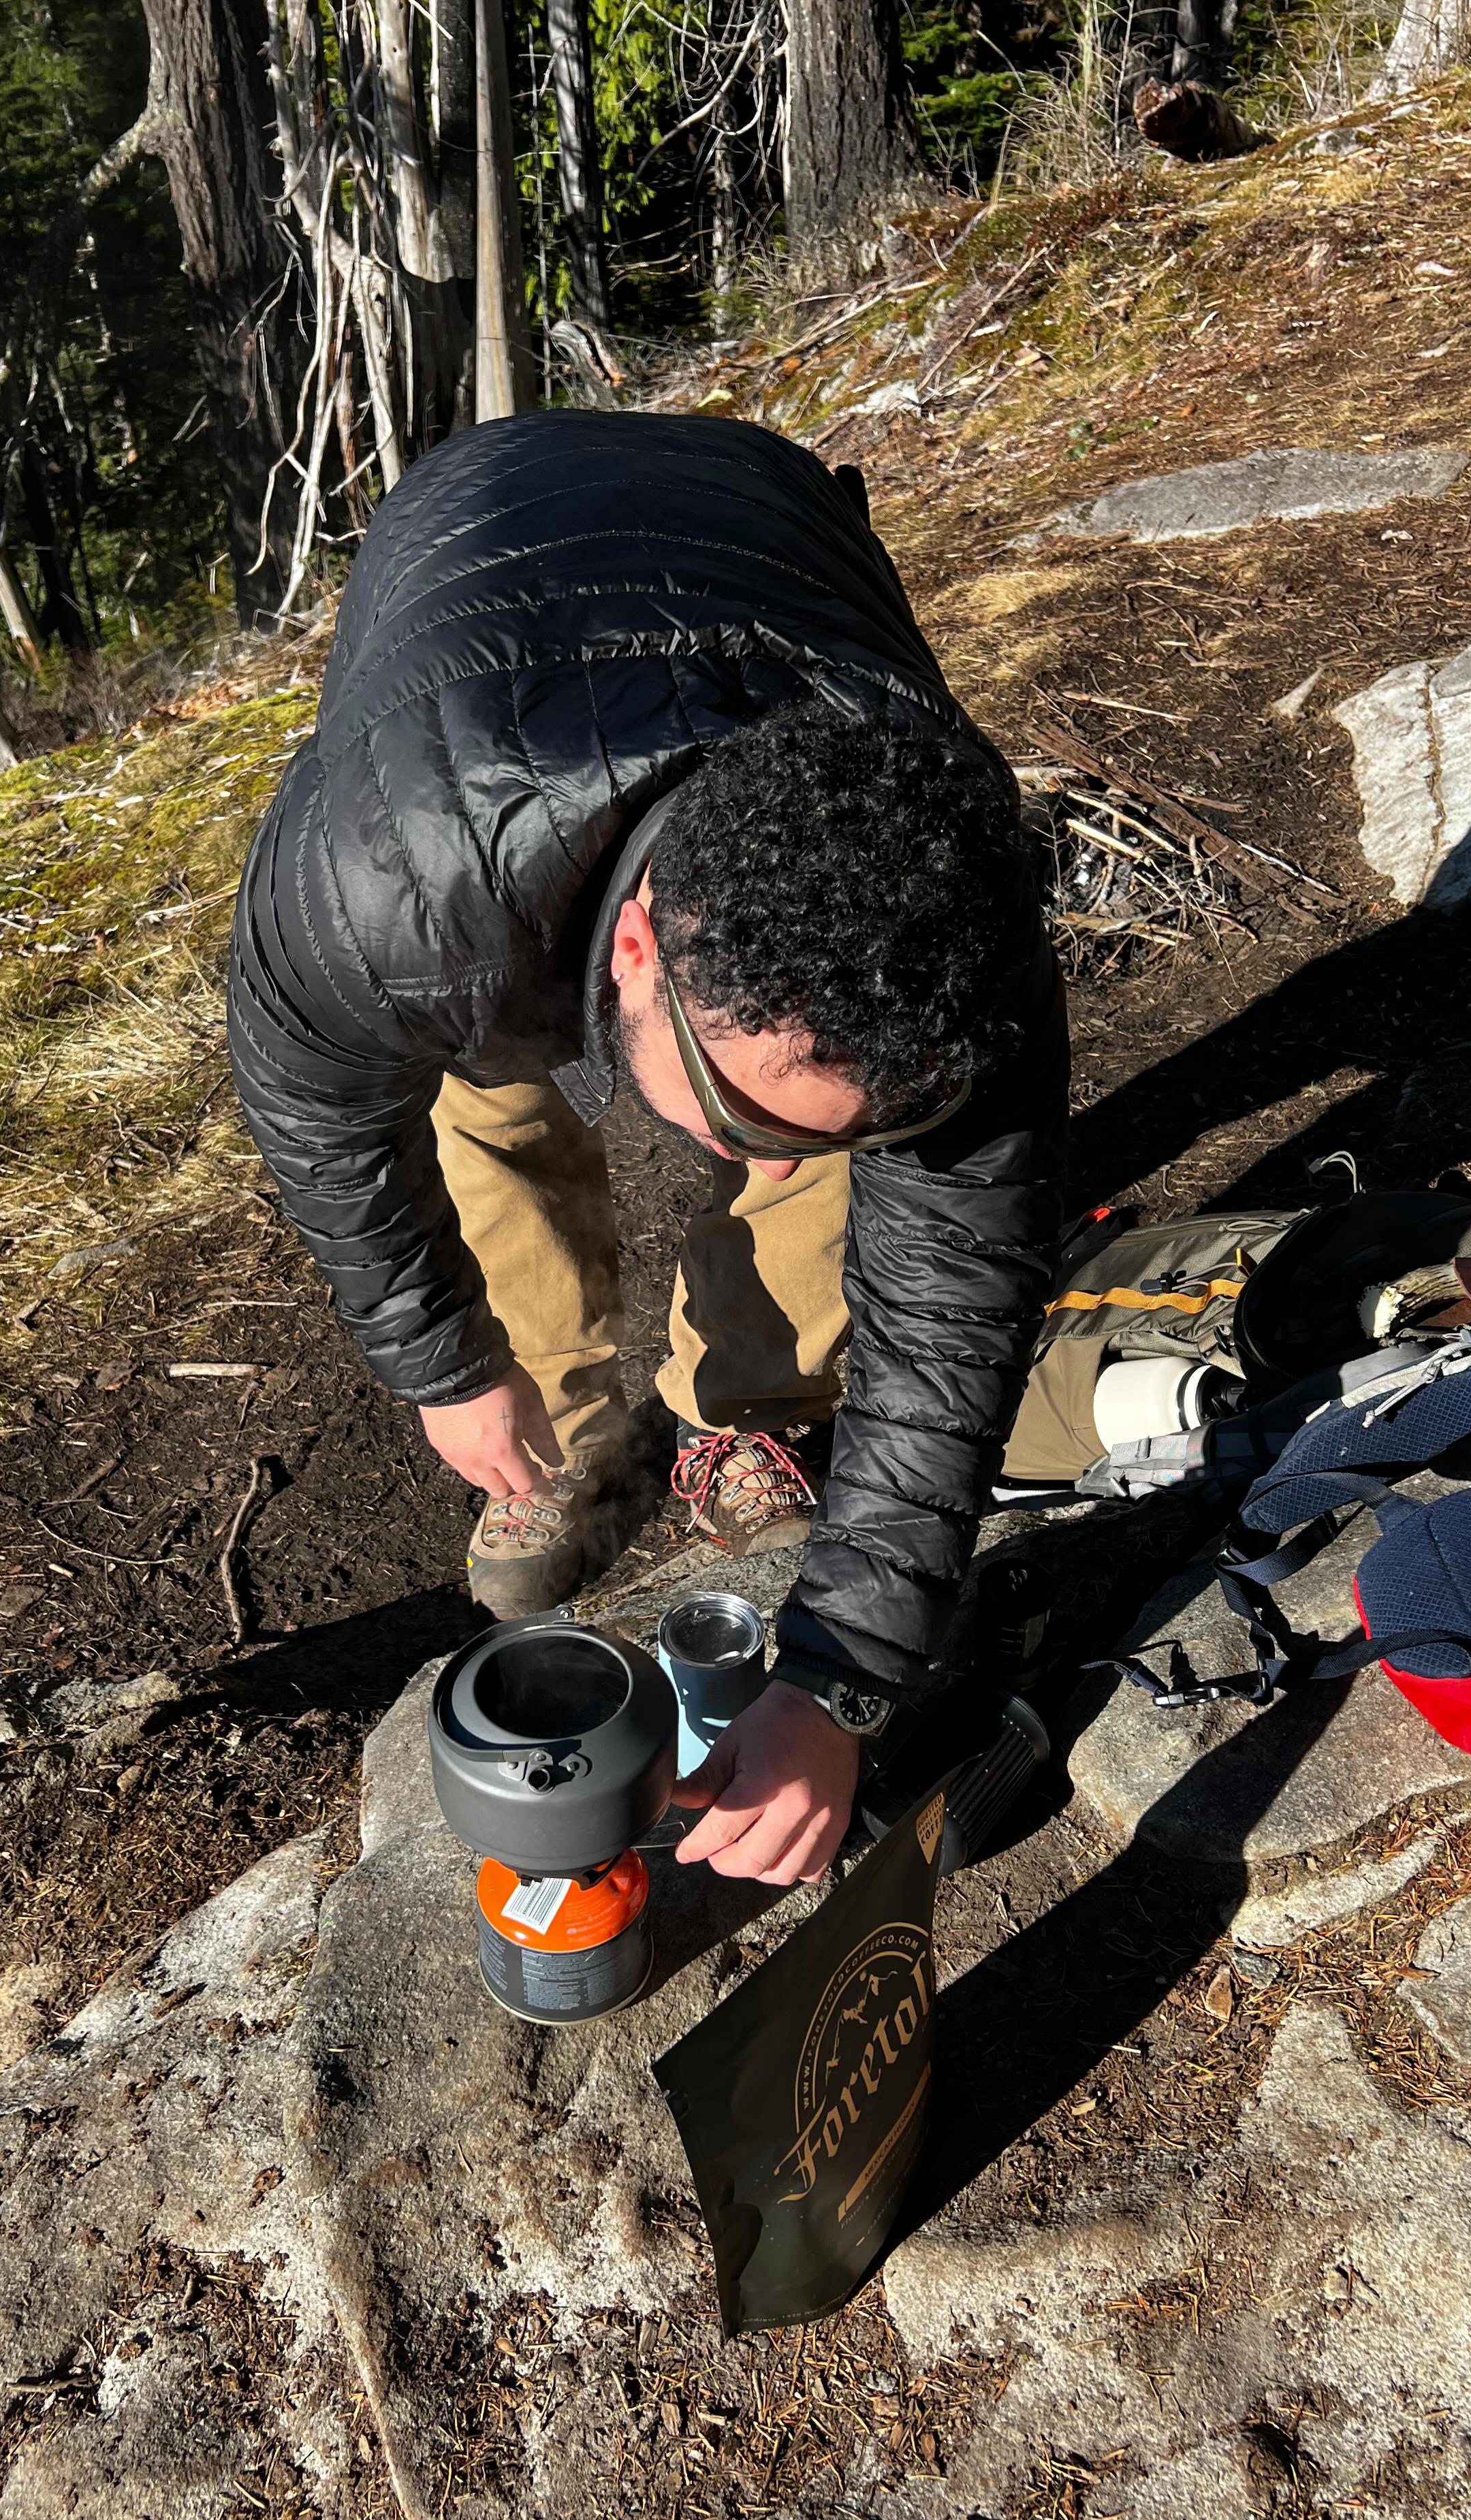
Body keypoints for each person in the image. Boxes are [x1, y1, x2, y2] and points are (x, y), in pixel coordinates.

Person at [229, 412, 1069, 1891]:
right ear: (631, 946)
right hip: (471, 567)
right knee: (483, 1078)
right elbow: (314, 1100)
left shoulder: (961, 938)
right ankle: (539, 1421)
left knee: (868, 1180)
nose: (769, 1158)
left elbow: (950, 1308)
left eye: (832, 1145)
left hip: (758, 516)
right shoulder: (385, 889)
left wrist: (839, 1680)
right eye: (745, 1118)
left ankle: (741, 1394)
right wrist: (438, 1360)